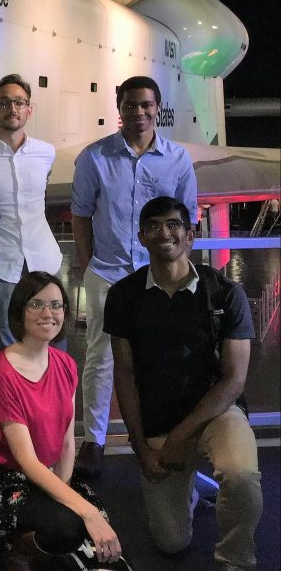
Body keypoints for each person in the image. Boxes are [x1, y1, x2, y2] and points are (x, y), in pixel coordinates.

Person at [107, 197, 261, 570]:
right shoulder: (124, 296)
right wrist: (140, 446)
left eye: (174, 224)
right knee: (171, 542)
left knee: (241, 476)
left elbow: (234, 379)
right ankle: (188, 490)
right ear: (142, 237)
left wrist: (181, 436)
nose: (165, 232)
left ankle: (236, 559)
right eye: (154, 225)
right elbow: (124, 375)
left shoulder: (225, 293)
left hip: (216, 412)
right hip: (159, 415)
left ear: (190, 235)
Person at [71, 75, 197, 477]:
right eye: (130, 105)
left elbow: (187, 221)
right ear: (118, 108)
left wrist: (179, 271)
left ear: (157, 108)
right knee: (101, 357)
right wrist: (90, 262)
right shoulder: (95, 157)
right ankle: (95, 440)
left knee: (162, 355)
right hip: (108, 272)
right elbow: (80, 212)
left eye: (146, 105)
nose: (138, 112)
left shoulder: (177, 160)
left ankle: (159, 435)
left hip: (159, 275)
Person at [0, 271, 131, 571]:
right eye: (36, 305)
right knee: (70, 525)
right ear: (20, 310)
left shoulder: (65, 364)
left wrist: (65, 492)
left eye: (56, 305)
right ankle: (18, 548)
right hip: (7, 479)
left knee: (99, 539)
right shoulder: (2, 371)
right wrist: (84, 511)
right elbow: (27, 461)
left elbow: (67, 441)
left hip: (52, 474)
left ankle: (52, 547)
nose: (48, 313)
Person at [0, 74, 63, 359]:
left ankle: (50, 404)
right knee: (2, 346)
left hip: (44, 261)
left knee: (52, 341)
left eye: (19, 102)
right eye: (3, 103)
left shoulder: (46, 153)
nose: (12, 108)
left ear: (29, 109)